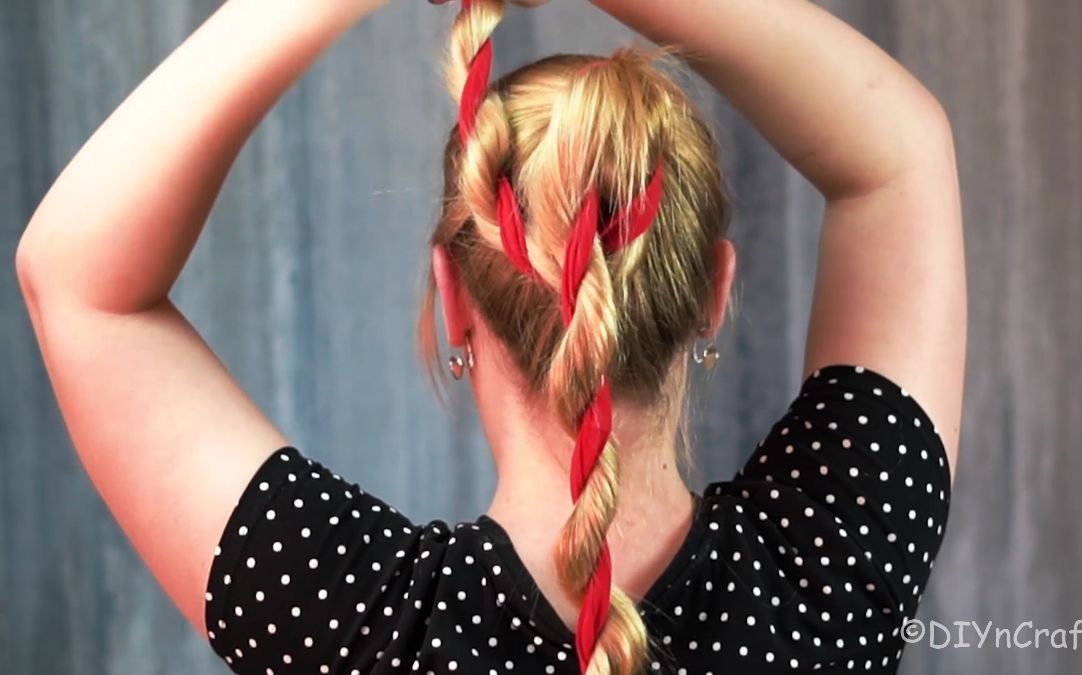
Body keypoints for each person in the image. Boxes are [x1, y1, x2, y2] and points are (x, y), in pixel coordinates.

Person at [14, 0, 966, 672]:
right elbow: (901, 156)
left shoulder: (362, 627)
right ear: (715, 292)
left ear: (453, 295)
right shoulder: (831, 570)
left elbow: (79, 281)